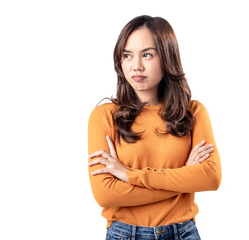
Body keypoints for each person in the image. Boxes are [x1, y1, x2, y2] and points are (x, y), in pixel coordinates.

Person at [87, 15, 222, 240]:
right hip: (124, 234)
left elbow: (211, 178)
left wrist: (128, 175)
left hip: (183, 233)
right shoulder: (104, 116)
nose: (136, 66)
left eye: (147, 54)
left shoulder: (193, 113)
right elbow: (106, 194)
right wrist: (183, 177)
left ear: (167, 56)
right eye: (127, 55)